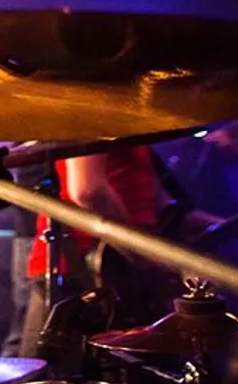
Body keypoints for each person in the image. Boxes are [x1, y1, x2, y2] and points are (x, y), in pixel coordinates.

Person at [19, 147, 160, 358]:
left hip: (110, 266)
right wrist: (142, 255)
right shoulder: (103, 116)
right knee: (47, 382)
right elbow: (87, 191)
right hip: (85, 268)